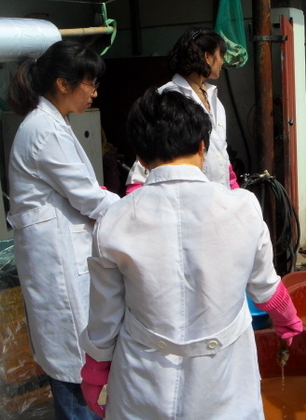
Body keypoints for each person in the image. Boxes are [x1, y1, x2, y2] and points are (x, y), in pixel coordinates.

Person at [79, 88, 303, 419]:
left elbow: (105, 314)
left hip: (144, 382)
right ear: (202, 147)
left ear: (140, 158)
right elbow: (265, 288)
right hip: (224, 382)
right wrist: (289, 321)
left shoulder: (115, 218)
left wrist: (95, 371)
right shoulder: (243, 207)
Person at [6, 40, 120, 420]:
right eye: (90, 83)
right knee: (73, 368)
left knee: (76, 362)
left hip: (64, 255)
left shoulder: (53, 124)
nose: (95, 92)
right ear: (63, 83)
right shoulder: (44, 131)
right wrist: (139, 209)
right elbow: (87, 197)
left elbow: (85, 192)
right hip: (58, 264)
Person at [125, 27, 239, 194]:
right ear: (208, 57)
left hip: (217, 198)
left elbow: (221, 153)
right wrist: (136, 197)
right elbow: (149, 152)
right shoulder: (167, 98)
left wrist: (233, 188)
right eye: (220, 55)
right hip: (179, 197)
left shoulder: (214, 98)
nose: (222, 62)